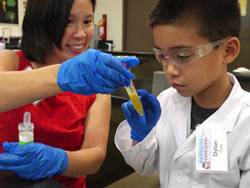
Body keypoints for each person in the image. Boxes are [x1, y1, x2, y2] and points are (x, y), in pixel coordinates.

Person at [0, 0, 139, 187]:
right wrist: (64, 75)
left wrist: (57, 160)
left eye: (87, 21)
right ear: (42, 21)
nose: (80, 33)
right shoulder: (11, 62)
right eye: (67, 21)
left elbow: (95, 156)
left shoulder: (94, 88)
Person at [115, 0, 250, 187]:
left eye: (182, 56)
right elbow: (144, 168)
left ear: (228, 50)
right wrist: (140, 136)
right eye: (161, 56)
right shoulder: (166, 101)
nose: (169, 70)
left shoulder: (246, 120)